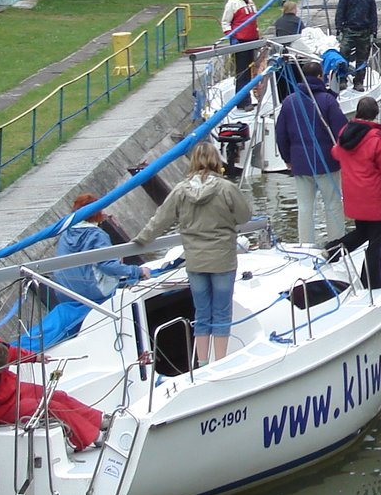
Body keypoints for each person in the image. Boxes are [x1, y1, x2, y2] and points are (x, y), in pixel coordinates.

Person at [131, 140, 254, 367]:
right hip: (222, 259)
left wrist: (141, 240)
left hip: (195, 261)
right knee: (222, 313)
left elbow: (160, 219)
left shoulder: (180, 191)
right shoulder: (227, 188)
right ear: (216, 160)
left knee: (202, 313)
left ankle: (202, 362)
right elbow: (245, 216)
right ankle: (220, 363)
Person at [329, 95, 381, 289]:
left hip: (353, 194)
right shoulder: (376, 138)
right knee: (375, 241)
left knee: (363, 232)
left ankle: (334, 249)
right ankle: (372, 281)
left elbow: (336, 153)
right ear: (375, 114)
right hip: (373, 196)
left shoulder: (344, 133)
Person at [274, 63, 348, 247]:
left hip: (300, 163)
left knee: (305, 207)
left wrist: (287, 159)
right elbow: (341, 131)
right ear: (320, 76)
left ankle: (305, 245)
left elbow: (280, 133)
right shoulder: (328, 101)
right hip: (328, 162)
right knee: (332, 204)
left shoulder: (289, 101)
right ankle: (336, 244)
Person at [55, 193, 148, 306]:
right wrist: (137, 271)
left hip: (65, 294)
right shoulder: (97, 235)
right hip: (93, 293)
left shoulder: (65, 233)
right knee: (115, 262)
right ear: (98, 211)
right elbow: (107, 265)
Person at [221, 0, 259, 95]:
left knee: (251, 70)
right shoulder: (233, 3)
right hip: (241, 41)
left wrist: (257, 33)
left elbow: (254, 20)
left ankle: (250, 96)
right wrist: (232, 37)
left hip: (252, 40)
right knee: (242, 72)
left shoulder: (250, 2)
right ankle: (242, 100)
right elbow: (225, 22)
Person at [335, 0, 379, 67]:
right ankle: (343, 78)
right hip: (349, 30)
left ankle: (359, 80)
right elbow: (340, 12)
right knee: (343, 53)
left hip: (364, 31)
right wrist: (339, 29)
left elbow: (373, 14)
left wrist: (374, 32)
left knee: (362, 58)